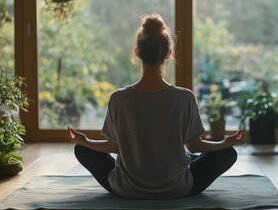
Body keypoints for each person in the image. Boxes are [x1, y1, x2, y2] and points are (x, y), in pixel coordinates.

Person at [68, 13, 244, 199]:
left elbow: (114, 147)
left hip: (127, 189)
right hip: (177, 189)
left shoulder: (119, 98)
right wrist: (226, 142)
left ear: (137, 52)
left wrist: (84, 141)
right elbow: (194, 145)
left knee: (82, 150)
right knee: (227, 154)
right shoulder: (185, 97)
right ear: (168, 54)